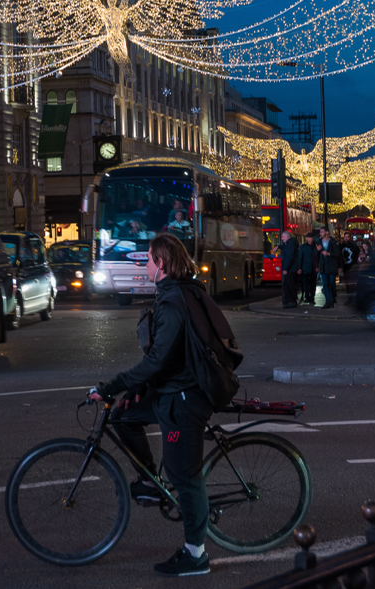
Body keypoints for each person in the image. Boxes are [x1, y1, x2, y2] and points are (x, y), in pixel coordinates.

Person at [92, 233, 237, 577]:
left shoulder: (174, 301)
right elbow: (167, 358)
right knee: (124, 416)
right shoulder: (178, 292)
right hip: (173, 388)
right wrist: (136, 390)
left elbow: (157, 360)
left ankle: (196, 555)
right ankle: (146, 478)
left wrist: (113, 386)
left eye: (148, 259)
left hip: (185, 399)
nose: (144, 265)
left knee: (184, 477)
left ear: (162, 262)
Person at [315, 228, 340, 309]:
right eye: (320, 232)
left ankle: (332, 299)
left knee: (332, 284)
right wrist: (317, 250)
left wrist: (329, 253)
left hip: (331, 266)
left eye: (322, 232)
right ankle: (327, 301)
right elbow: (315, 255)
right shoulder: (319, 242)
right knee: (325, 284)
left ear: (327, 232)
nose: (320, 233)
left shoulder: (333, 242)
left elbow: (337, 254)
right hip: (323, 266)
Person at [278, 230, 300, 308]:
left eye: (283, 236)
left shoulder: (290, 245)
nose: (282, 238)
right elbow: (285, 247)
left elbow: (289, 257)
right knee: (288, 285)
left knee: (288, 286)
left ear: (287, 236)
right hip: (292, 269)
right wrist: (279, 246)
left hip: (290, 269)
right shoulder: (290, 243)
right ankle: (291, 301)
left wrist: (285, 268)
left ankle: (290, 302)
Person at [298, 231, 318, 306]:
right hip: (305, 268)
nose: (310, 239)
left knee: (313, 284)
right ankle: (307, 297)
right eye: (309, 237)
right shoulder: (303, 247)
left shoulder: (315, 246)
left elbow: (317, 257)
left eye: (311, 237)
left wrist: (317, 266)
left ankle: (312, 298)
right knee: (306, 284)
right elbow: (300, 258)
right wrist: (299, 268)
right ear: (307, 238)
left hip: (313, 269)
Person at [340, 233, 358, 303]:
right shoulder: (341, 246)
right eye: (345, 237)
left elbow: (356, 255)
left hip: (352, 267)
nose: (346, 238)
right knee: (347, 284)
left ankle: (352, 298)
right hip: (345, 267)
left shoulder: (354, 246)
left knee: (352, 283)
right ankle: (349, 299)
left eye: (347, 237)